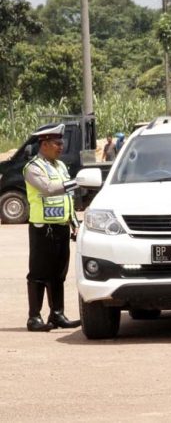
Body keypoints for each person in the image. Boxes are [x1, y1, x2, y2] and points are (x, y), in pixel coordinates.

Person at [23, 124, 81, 332]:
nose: (61, 147)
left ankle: (57, 314)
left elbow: (67, 198)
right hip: (42, 228)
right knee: (39, 272)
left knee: (59, 272)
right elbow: (48, 189)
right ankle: (34, 317)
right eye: (57, 143)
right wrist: (76, 182)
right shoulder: (33, 167)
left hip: (60, 227)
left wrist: (73, 221)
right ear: (44, 144)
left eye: (61, 143)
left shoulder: (60, 166)